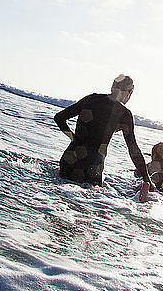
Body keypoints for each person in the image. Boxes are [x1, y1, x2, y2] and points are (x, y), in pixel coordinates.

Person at [54, 74, 151, 202]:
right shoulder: (124, 114)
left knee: (59, 199)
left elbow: (59, 118)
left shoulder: (91, 99)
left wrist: (74, 138)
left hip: (69, 158)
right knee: (83, 206)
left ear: (112, 87)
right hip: (93, 165)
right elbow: (134, 151)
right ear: (130, 92)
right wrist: (147, 180)